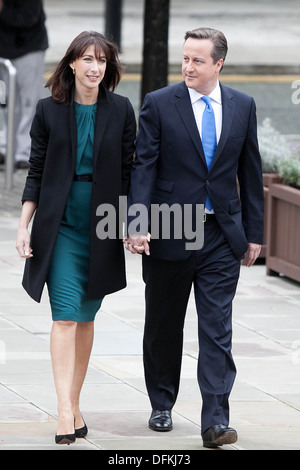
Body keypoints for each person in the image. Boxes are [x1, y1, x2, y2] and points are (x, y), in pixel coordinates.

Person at [125, 27, 264, 448]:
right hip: (170, 227)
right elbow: (143, 166)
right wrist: (136, 222)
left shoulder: (243, 106)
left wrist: (253, 232)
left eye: (197, 60)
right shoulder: (159, 103)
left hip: (221, 233)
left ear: (218, 64)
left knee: (217, 327)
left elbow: (251, 174)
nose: (188, 66)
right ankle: (162, 402)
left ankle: (216, 420)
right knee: (164, 323)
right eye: (185, 58)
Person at [16, 31, 136, 445]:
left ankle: (75, 402)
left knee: (86, 318)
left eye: (101, 61)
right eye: (86, 59)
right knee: (65, 315)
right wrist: (22, 226)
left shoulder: (121, 110)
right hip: (61, 225)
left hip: (101, 225)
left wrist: (132, 224)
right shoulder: (49, 110)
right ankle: (64, 412)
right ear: (71, 64)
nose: (94, 67)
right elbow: (35, 171)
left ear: (108, 68)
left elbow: (128, 173)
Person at [0, 0, 48, 168]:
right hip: (4, 51)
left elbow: (29, 18)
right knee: (5, 102)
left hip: (29, 48)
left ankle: (25, 150)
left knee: (29, 102)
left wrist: (3, 9)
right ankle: (6, 145)